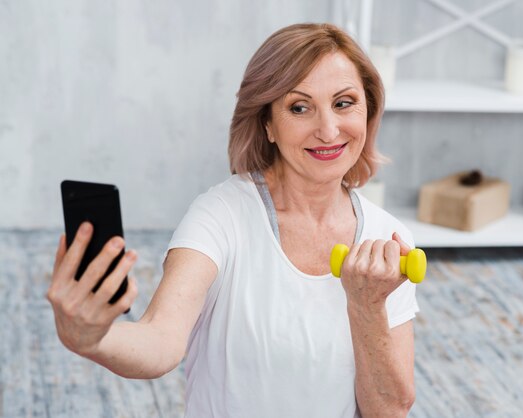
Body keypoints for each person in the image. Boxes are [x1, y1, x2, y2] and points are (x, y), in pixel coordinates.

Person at [47, 23, 419, 418]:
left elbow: (389, 409)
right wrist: (90, 339)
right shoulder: (221, 215)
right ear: (268, 124)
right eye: (299, 107)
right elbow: (160, 341)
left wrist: (367, 305)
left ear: (368, 111)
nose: (328, 130)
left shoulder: (387, 239)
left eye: (344, 103)